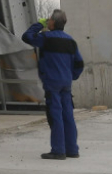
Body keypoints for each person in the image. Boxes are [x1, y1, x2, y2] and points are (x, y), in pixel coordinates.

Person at [21, 9, 84, 160]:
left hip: (52, 82)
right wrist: (71, 76)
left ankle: (58, 150)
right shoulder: (71, 41)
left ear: (53, 23)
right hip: (66, 83)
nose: (47, 21)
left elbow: (27, 37)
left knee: (55, 115)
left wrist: (38, 24)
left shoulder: (46, 38)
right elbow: (79, 63)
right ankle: (72, 150)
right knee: (68, 115)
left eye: (48, 20)